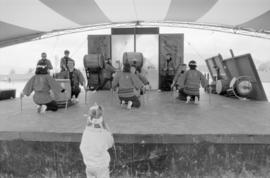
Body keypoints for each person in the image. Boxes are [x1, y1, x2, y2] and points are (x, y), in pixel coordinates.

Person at [80, 103, 114, 178]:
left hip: (89, 165)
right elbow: (111, 143)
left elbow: (82, 147)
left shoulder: (86, 132)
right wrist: (108, 130)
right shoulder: (104, 133)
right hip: (101, 167)